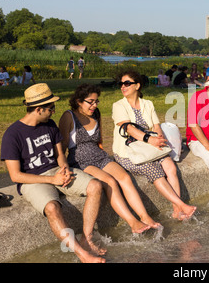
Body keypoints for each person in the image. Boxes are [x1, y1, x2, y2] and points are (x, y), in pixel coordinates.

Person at [0, 83, 105, 263]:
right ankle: (83, 255)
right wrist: (52, 180)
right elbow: (15, 176)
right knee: (52, 208)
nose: (54, 111)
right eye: (51, 108)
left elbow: (59, 155)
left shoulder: (49, 125)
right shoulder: (12, 134)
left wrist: (64, 168)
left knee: (95, 185)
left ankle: (86, 239)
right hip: (32, 180)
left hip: (56, 172)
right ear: (39, 109)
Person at [59, 84, 159, 233]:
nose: (94, 105)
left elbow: (98, 140)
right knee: (110, 182)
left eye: (96, 101)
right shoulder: (69, 116)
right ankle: (132, 222)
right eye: (90, 102)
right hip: (80, 160)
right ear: (79, 101)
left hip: (99, 156)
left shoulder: (96, 113)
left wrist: (103, 154)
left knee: (124, 177)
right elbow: (62, 146)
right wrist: (64, 168)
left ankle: (144, 216)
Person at [112, 70, 196, 220]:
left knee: (170, 167)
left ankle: (176, 210)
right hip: (128, 152)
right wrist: (149, 140)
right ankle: (181, 205)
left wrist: (158, 137)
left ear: (137, 86)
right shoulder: (118, 106)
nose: (122, 87)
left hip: (150, 147)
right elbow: (128, 128)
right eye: (121, 84)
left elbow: (156, 126)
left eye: (126, 83)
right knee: (154, 171)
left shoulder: (148, 104)